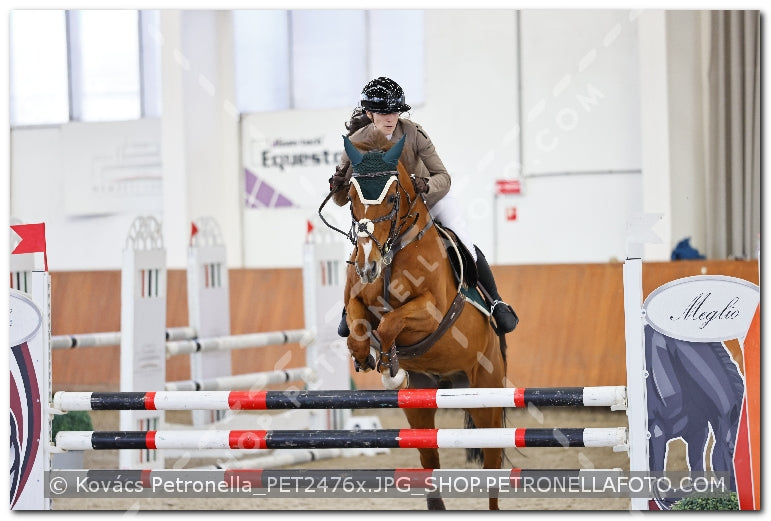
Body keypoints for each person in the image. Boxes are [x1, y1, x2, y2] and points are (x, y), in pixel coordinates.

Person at [329, 76, 518, 336]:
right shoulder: (356, 142)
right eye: (384, 112)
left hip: (428, 200)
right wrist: (337, 184)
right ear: (369, 113)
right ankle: (349, 306)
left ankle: (495, 301)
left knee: (460, 233)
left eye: (395, 111)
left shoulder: (413, 133)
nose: (390, 118)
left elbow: (443, 176)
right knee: (364, 241)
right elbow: (341, 200)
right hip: (386, 212)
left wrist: (424, 185)